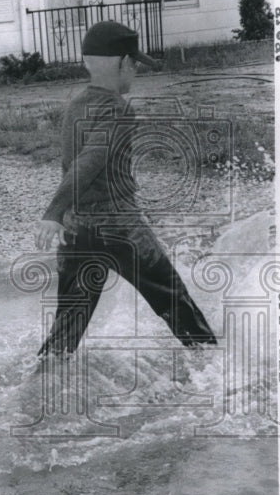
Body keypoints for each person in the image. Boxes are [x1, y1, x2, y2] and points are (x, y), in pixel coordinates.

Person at [35, 20, 217, 357]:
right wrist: (51, 212)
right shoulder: (119, 110)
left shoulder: (75, 105)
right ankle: (217, 371)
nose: (135, 72)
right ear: (122, 63)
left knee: (65, 331)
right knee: (176, 303)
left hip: (77, 230)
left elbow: (75, 164)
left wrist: (61, 214)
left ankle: (40, 386)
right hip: (119, 227)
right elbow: (89, 162)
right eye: (134, 64)